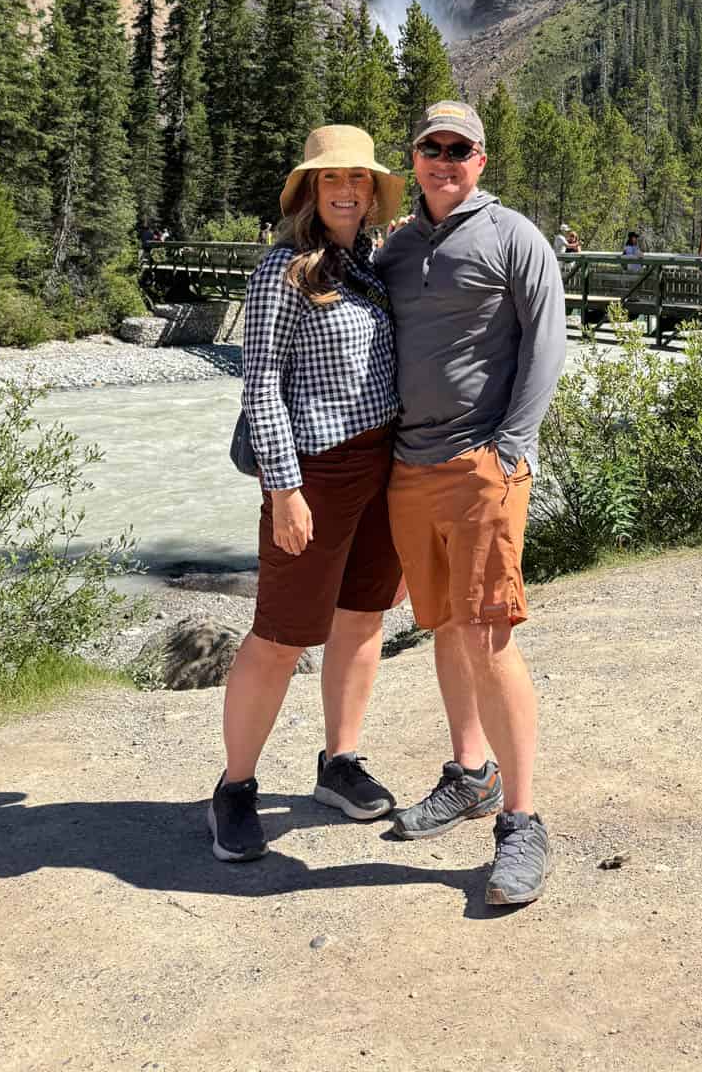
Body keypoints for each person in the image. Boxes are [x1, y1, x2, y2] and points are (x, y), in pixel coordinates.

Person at [378, 100, 567, 907]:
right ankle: (470, 774)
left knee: (489, 634)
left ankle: (523, 821)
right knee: (446, 626)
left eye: (460, 149)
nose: (445, 160)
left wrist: (512, 447)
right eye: (432, 147)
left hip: (482, 463)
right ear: (414, 157)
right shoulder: (398, 247)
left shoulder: (513, 235)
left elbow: (547, 336)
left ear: (481, 159)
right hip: (410, 468)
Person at [208, 126, 407, 863]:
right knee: (282, 635)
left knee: (361, 621)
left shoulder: (374, 266)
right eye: (332, 181)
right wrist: (285, 488)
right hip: (314, 474)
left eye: (357, 180)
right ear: (309, 192)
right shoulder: (282, 272)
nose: (346, 191)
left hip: (382, 467)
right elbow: (259, 384)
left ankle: (340, 762)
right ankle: (234, 788)